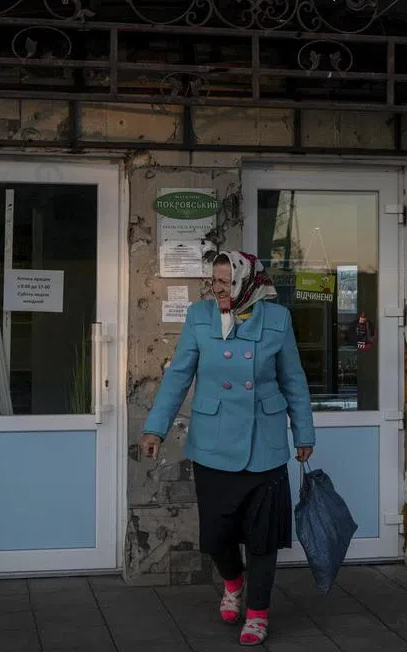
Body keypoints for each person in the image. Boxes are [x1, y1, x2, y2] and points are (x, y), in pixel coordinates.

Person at [140, 250, 315, 647]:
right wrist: (156, 428)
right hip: (213, 442)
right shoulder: (199, 316)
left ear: (247, 283)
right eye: (214, 281)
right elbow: (179, 375)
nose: (216, 289)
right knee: (217, 536)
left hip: (264, 446)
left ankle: (257, 612)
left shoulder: (277, 319)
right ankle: (233, 583)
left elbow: (293, 380)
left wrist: (303, 433)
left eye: (225, 282)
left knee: (262, 539)